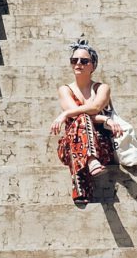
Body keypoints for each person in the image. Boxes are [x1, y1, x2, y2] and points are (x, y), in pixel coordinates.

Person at [50, 36, 124, 203]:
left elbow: (95, 108)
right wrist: (105, 120)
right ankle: (91, 161)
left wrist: (65, 114)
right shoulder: (65, 89)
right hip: (70, 144)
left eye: (84, 61)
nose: (78, 64)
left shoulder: (102, 88)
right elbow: (77, 114)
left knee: (82, 117)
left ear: (93, 65)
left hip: (103, 147)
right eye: (74, 60)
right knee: (81, 120)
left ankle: (81, 187)